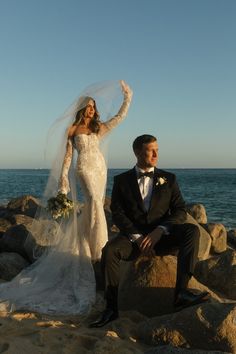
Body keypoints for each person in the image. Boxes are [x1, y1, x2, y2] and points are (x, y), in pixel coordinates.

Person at [0, 80, 132, 315]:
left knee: (97, 205)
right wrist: (63, 184)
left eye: (94, 107)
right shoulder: (72, 130)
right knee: (92, 202)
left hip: (99, 168)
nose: (92, 109)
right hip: (84, 169)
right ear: (82, 108)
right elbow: (68, 159)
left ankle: (93, 249)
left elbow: (119, 119)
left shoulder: (98, 128)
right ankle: (98, 251)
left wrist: (127, 99)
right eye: (88, 106)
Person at [90, 134, 209, 328]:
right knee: (109, 250)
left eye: (157, 150)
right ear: (137, 152)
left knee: (192, 231)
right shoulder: (121, 180)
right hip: (133, 240)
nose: (155, 154)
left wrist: (160, 230)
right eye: (150, 150)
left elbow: (180, 210)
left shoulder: (169, 179)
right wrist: (137, 238)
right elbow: (118, 213)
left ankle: (182, 293)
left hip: (162, 237)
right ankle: (111, 309)